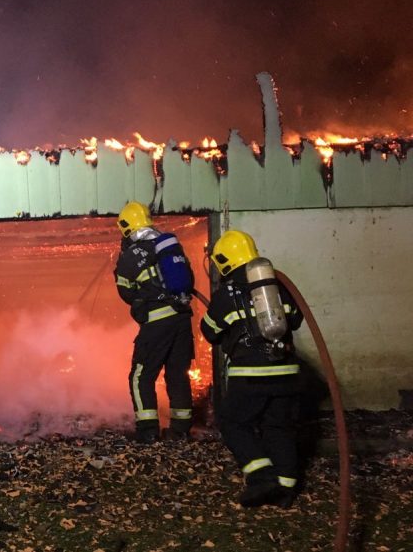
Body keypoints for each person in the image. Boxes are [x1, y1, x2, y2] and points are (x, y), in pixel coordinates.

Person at [200, 229, 304, 508]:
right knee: (279, 427)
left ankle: (261, 477)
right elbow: (295, 319)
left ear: (224, 260)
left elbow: (209, 331)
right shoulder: (276, 286)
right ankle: (285, 491)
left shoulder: (227, 293)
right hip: (286, 372)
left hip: (250, 376)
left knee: (234, 423)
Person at [114, 201, 195, 443]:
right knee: (177, 374)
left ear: (128, 228)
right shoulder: (168, 247)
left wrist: (142, 298)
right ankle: (181, 430)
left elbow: (125, 291)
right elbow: (187, 279)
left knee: (141, 376)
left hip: (158, 322)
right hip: (182, 319)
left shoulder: (130, 256)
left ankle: (147, 431)